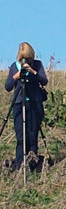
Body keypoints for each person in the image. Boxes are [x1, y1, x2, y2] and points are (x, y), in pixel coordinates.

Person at [5, 42, 48, 171]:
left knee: (32, 134)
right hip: (19, 103)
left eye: (28, 58)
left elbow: (44, 81)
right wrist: (15, 76)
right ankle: (19, 165)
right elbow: (8, 87)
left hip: (34, 103)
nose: (26, 61)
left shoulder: (37, 64)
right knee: (21, 136)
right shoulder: (14, 66)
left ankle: (32, 164)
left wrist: (33, 72)